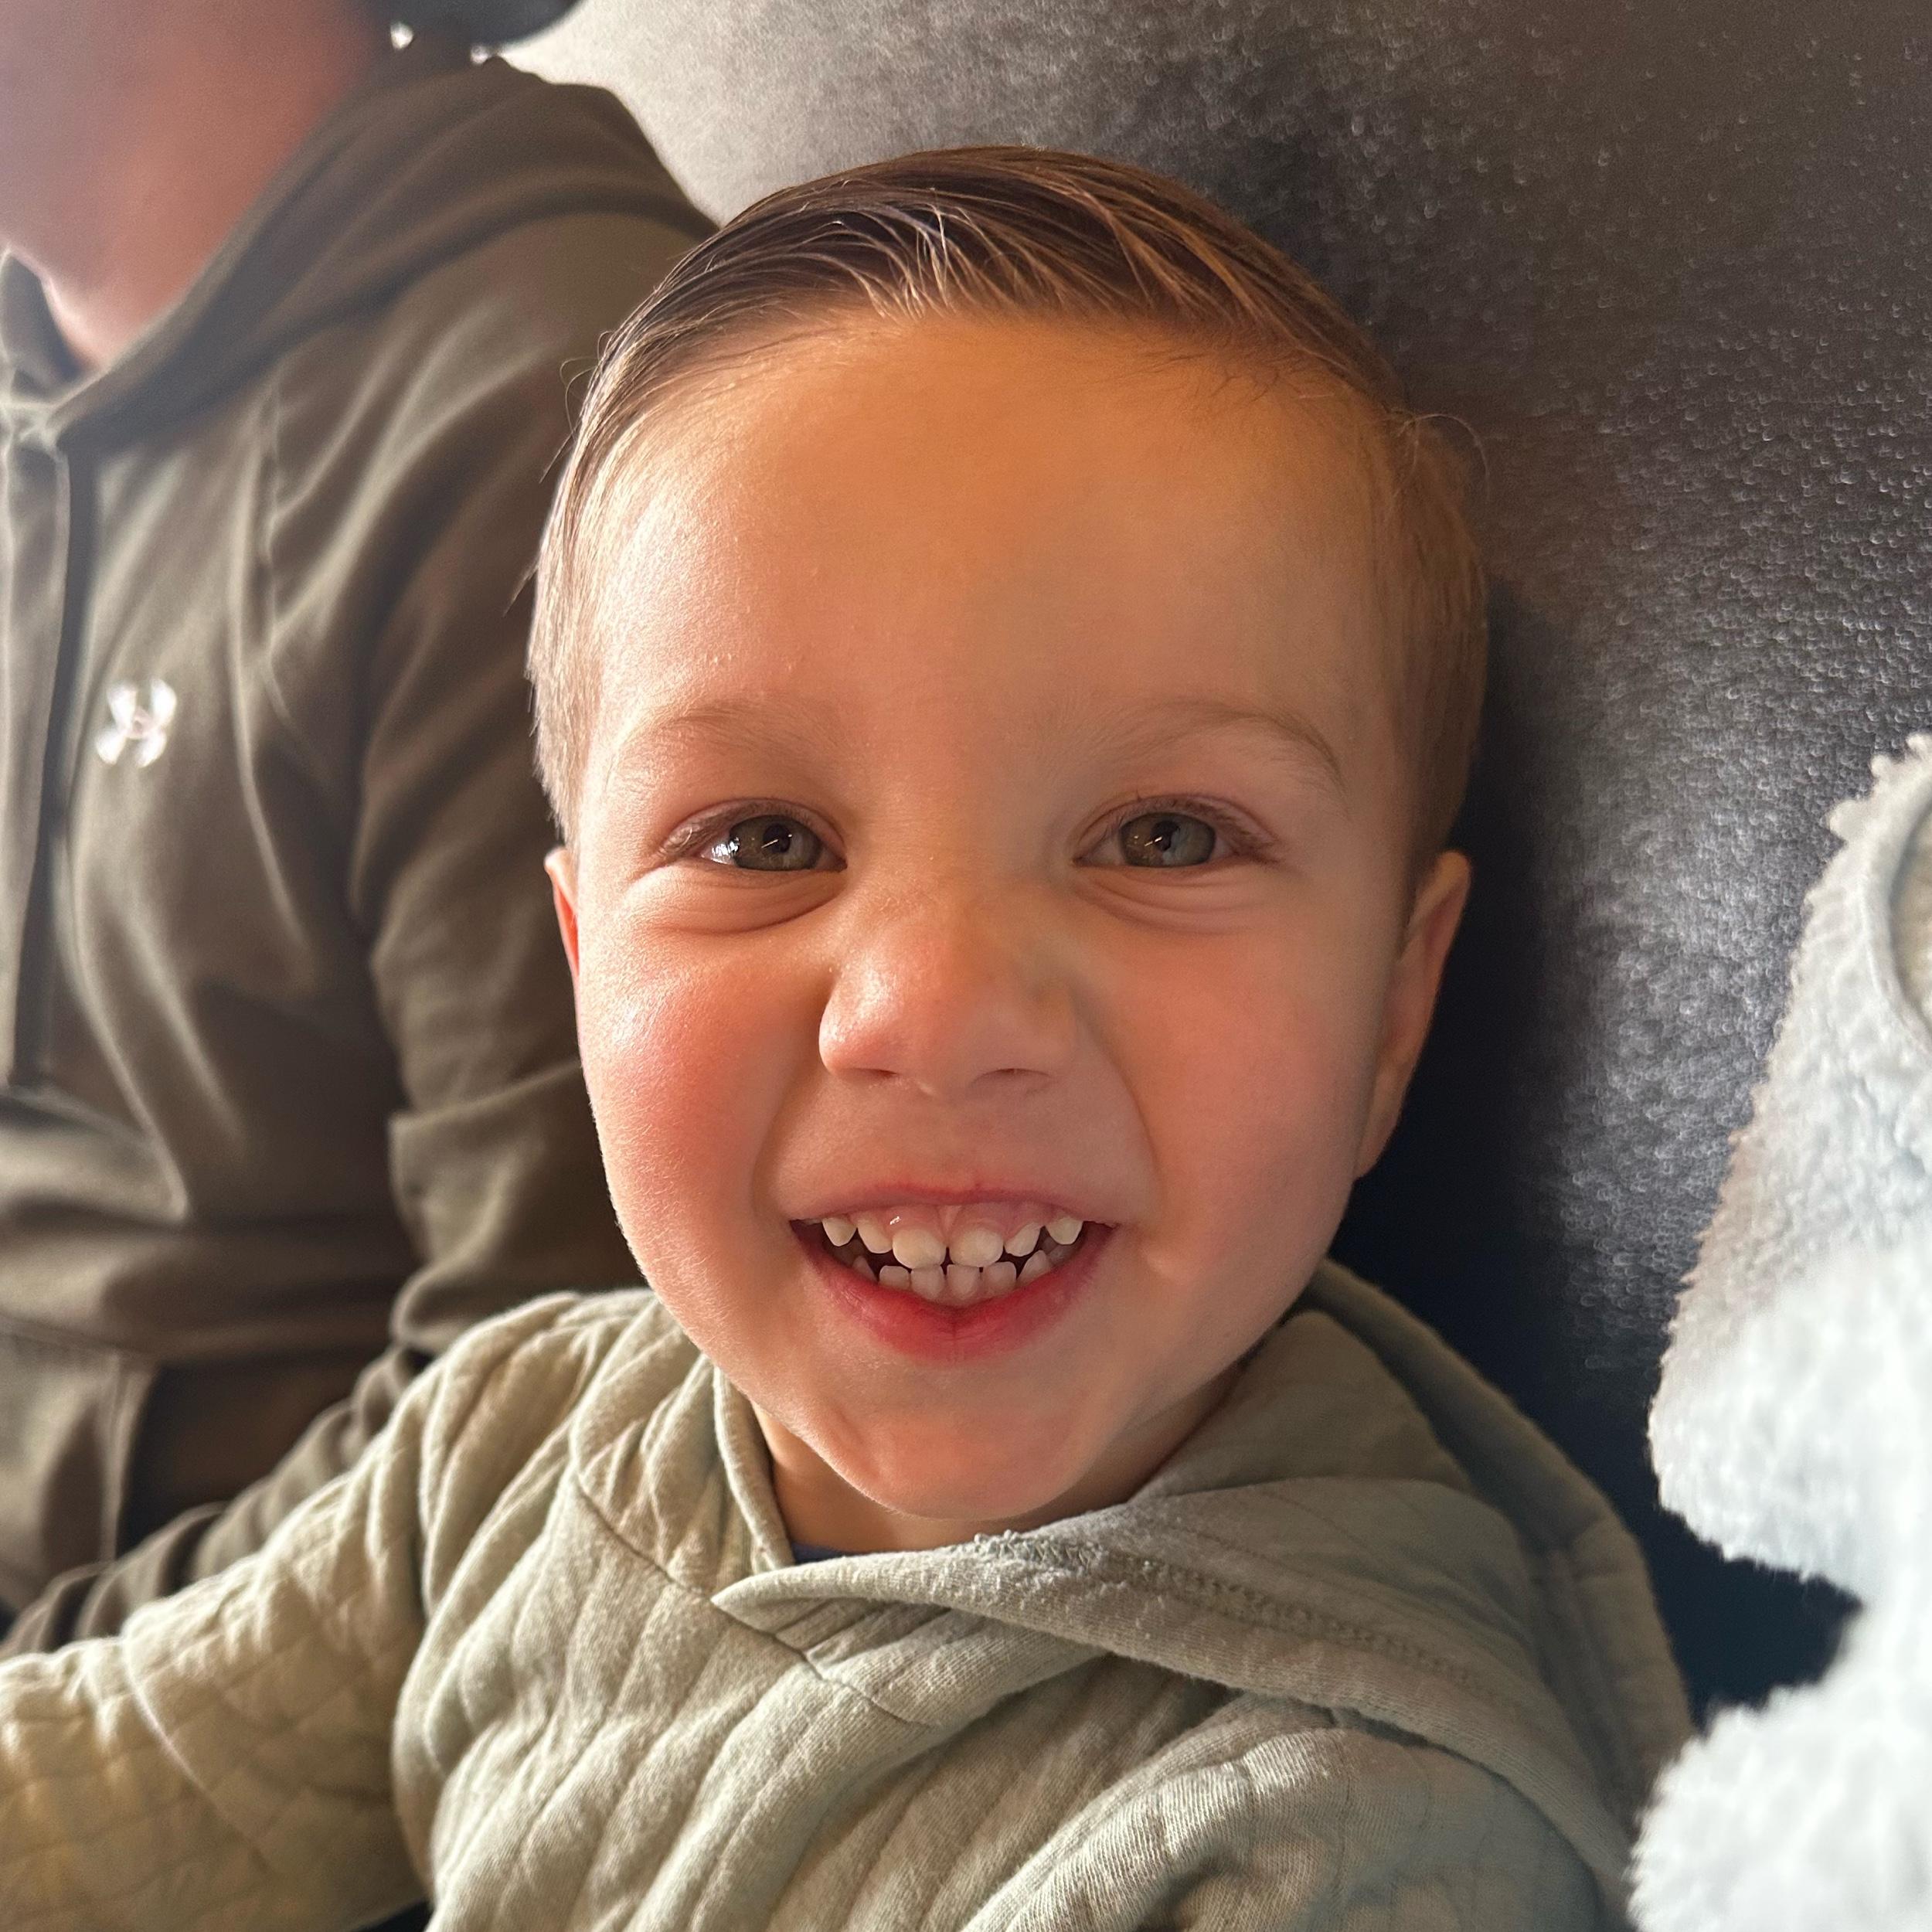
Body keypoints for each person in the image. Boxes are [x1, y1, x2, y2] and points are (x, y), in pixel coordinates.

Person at [0, 148, 1690, 1929]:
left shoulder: (1351, 1841)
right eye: (761, 840)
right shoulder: (508, 1438)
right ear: (582, 965)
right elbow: (113, 1778)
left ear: (1394, 1008)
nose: (930, 1013)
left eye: (1162, 835)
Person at [0, 0, 709, 1652]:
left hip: (185, 1678)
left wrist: (47, 1708)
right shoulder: (40, 409)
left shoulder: (542, 417)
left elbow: (541, 1405)